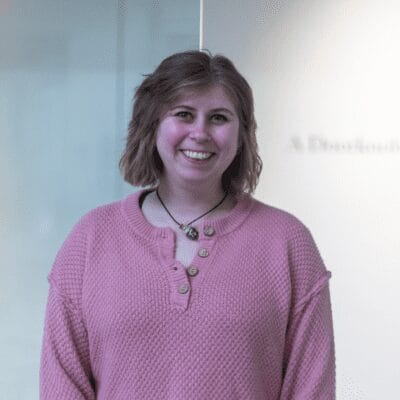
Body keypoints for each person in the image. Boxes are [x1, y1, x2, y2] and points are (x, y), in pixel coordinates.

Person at [40, 50, 336, 399]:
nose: (200, 132)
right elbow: (62, 385)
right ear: (151, 126)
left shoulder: (288, 244)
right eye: (183, 114)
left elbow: (311, 389)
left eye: (219, 118)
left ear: (242, 134)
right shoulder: (90, 240)